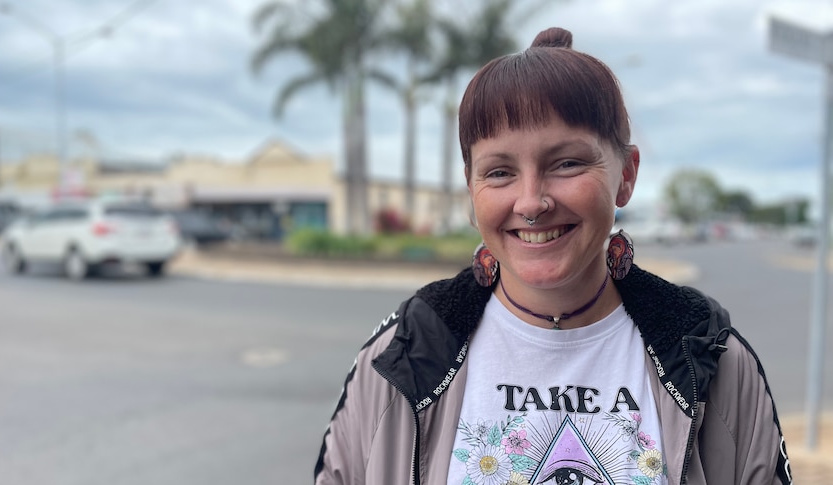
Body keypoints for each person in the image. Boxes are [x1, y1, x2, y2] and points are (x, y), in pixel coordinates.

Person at [314, 27, 792, 485]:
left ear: (625, 174)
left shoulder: (711, 357)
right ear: (470, 187)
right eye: (499, 172)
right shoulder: (405, 354)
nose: (531, 202)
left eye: (567, 163)